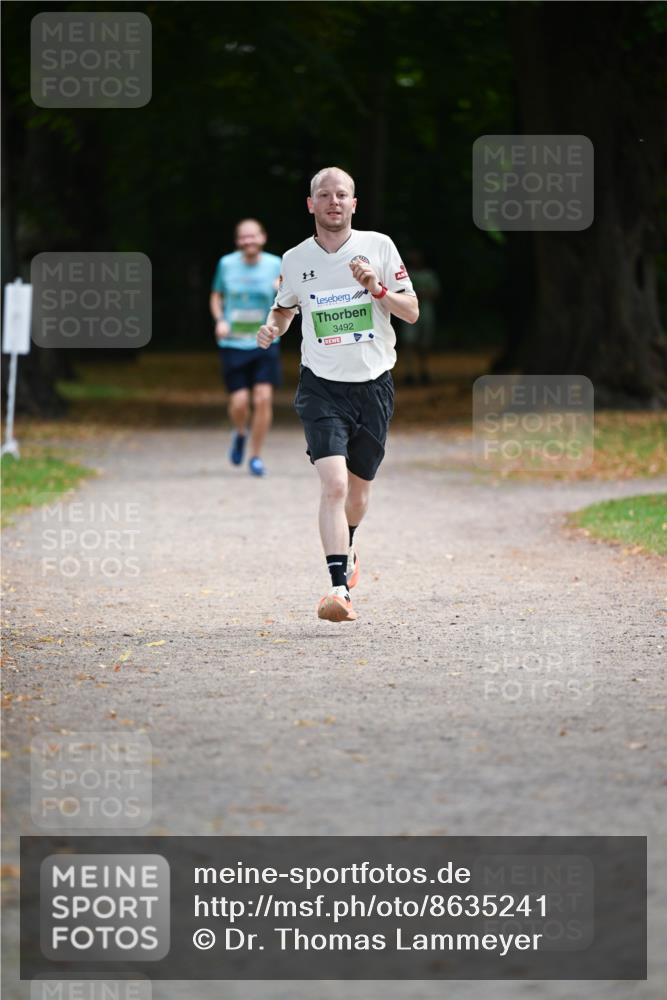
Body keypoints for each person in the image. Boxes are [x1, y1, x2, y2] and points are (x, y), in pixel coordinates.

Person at [257, 167, 418, 621]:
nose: (333, 202)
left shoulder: (379, 246)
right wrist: (273, 327)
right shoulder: (294, 259)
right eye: (324, 195)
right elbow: (284, 308)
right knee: (334, 484)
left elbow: (411, 312)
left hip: (373, 385)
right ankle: (337, 588)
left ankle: (349, 545)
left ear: (354, 203)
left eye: (342, 195)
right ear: (311, 204)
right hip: (321, 386)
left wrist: (375, 287)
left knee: (358, 494)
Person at [210, 218, 282, 476]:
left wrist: (282, 289)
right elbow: (216, 295)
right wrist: (220, 320)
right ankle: (240, 432)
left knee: (263, 398)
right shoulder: (226, 264)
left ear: (262, 238)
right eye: (243, 236)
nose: (248, 241)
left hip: (265, 340)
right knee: (240, 402)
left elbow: (290, 299)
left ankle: (256, 456)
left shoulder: (276, 264)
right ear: (237, 241)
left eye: (253, 236)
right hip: (233, 342)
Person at [398, 249, 440, 385]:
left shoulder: (429, 275)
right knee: (409, 342)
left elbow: (435, 293)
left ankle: (423, 370)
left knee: (424, 343)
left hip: (425, 311)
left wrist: (422, 295)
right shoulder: (405, 275)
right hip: (409, 311)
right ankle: (409, 372)